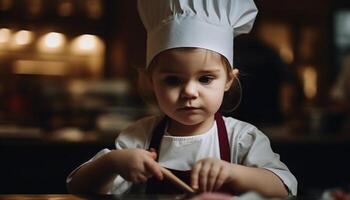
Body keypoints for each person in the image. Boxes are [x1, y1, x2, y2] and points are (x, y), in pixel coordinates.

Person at [66, 0, 297, 197]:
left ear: (228, 80)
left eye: (205, 79)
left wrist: (232, 172)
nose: (189, 92)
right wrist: (113, 162)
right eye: (173, 80)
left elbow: (284, 187)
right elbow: (77, 187)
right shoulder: (140, 137)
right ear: (150, 81)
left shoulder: (241, 138)